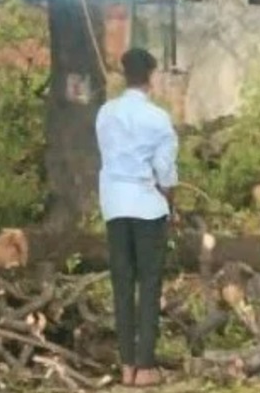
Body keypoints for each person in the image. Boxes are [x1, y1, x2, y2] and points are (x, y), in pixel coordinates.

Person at [96, 48, 179, 387]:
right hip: (147, 206)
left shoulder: (105, 114)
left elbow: (107, 156)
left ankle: (126, 364)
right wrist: (171, 202)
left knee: (121, 284)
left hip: (115, 207)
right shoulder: (158, 118)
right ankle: (146, 366)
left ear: (123, 75)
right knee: (149, 283)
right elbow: (165, 171)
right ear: (151, 77)